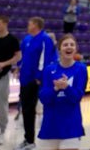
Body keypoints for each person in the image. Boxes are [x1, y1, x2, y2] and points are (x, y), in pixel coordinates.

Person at [37, 34, 88, 150]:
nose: (69, 47)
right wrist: (55, 89)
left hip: (71, 125)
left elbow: (76, 98)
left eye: (72, 45)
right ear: (59, 49)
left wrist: (66, 87)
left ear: (76, 49)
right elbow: (44, 98)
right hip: (50, 125)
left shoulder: (81, 69)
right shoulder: (49, 70)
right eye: (65, 45)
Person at [15, 17, 56, 150]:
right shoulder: (27, 39)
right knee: (26, 110)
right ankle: (28, 139)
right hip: (25, 79)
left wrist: (39, 77)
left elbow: (46, 59)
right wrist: (18, 67)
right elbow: (22, 56)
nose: (27, 25)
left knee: (32, 109)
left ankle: (32, 140)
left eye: (30, 23)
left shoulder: (45, 39)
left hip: (35, 80)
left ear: (36, 25)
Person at [0, 16, 21, 145]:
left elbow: (18, 56)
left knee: (2, 104)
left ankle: (2, 132)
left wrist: (3, 64)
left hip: (2, 76)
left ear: (5, 24)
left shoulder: (12, 40)